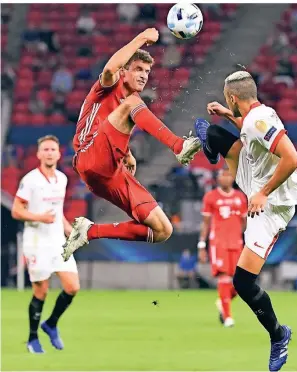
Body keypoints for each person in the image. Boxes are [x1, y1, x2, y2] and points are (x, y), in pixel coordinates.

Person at [195, 70, 297, 371]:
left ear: (233, 96)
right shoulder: (257, 114)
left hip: (272, 204)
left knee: (243, 282)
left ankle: (278, 335)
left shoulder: (260, 121)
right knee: (215, 133)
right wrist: (228, 116)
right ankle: (211, 149)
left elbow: (292, 158)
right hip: (255, 173)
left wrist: (263, 194)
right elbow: (250, 131)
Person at [62, 28, 201, 261]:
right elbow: (109, 69)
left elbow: (111, 125)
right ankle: (179, 146)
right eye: (138, 69)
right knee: (132, 104)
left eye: (147, 71)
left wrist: (127, 153)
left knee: (162, 229)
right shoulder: (108, 87)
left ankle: (90, 231)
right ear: (124, 71)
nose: (144, 75)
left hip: (109, 172)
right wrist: (141, 39)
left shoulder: (128, 103)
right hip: (88, 157)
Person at [11, 135, 79, 354]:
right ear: (39, 154)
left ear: (59, 154)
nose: (49, 153)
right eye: (45, 149)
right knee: (41, 291)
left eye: (53, 149)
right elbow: (16, 210)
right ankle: (32, 339)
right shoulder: (30, 180)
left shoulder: (62, 179)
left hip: (57, 240)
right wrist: (40, 218)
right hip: (37, 241)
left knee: (72, 287)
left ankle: (50, 324)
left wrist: (68, 229)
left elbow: (57, 212)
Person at [198, 169, 247, 327]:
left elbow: (244, 224)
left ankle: (222, 302)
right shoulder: (211, 197)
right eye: (221, 175)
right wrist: (201, 245)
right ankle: (227, 317)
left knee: (241, 283)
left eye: (227, 175)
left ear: (233, 177)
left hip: (236, 243)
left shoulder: (240, 197)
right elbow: (205, 223)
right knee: (224, 277)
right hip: (219, 243)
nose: (224, 178)